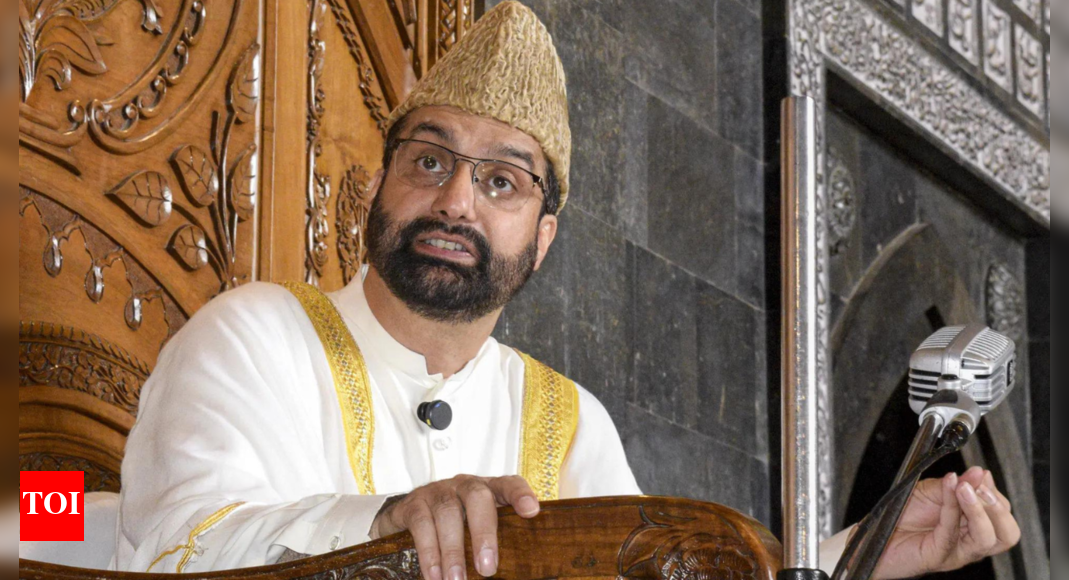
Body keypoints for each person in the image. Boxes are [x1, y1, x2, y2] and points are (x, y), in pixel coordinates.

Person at [114, 2, 1021, 579]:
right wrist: (389, 523)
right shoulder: (255, 336)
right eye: (428, 160)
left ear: (542, 239)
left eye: (501, 181)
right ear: (378, 186)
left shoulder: (565, 421)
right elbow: (177, 546)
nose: (455, 199)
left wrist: (857, 553)